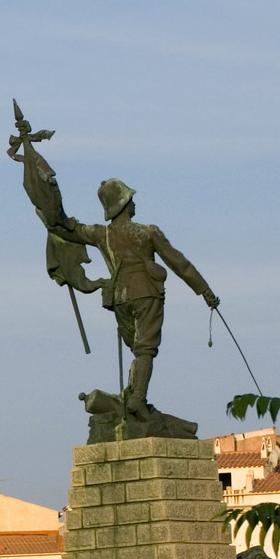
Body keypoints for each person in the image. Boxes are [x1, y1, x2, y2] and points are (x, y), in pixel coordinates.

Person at [50, 179, 219, 420]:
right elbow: (178, 262)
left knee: (137, 350)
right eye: (131, 199)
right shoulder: (148, 232)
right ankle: (137, 399)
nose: (134, 203)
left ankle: (133, 394)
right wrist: (204, 290)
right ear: (124, 205)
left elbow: (66, 229)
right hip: (147, 293)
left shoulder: (101, 234)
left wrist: (48, 212)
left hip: (119, 299)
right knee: (145, 350)